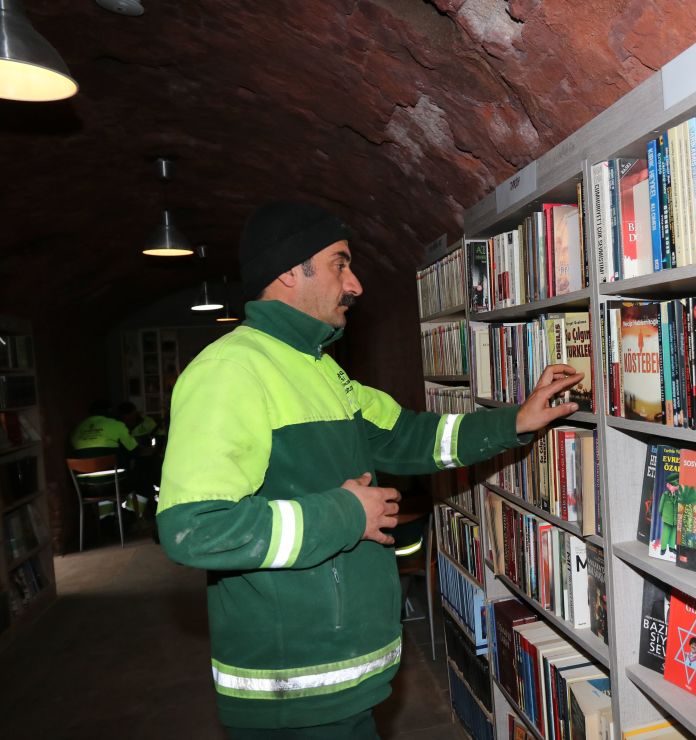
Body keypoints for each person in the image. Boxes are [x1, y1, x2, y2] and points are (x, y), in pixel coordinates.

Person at [156, 200, 583, 738]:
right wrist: (344, 514)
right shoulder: (228, 371)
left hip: (341, 680)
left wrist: (514, 421)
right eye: (340, 263)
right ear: (290, 270)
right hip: (295, 692)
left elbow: (409, 436)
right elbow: (194, 530)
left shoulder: (318, 368)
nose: (355, 284)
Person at [69, 400, 138, 460]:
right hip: (110, 471)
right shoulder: (116, 424)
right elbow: (133, 449)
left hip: (82, 472)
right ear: (109, 410)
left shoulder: (79, 426)